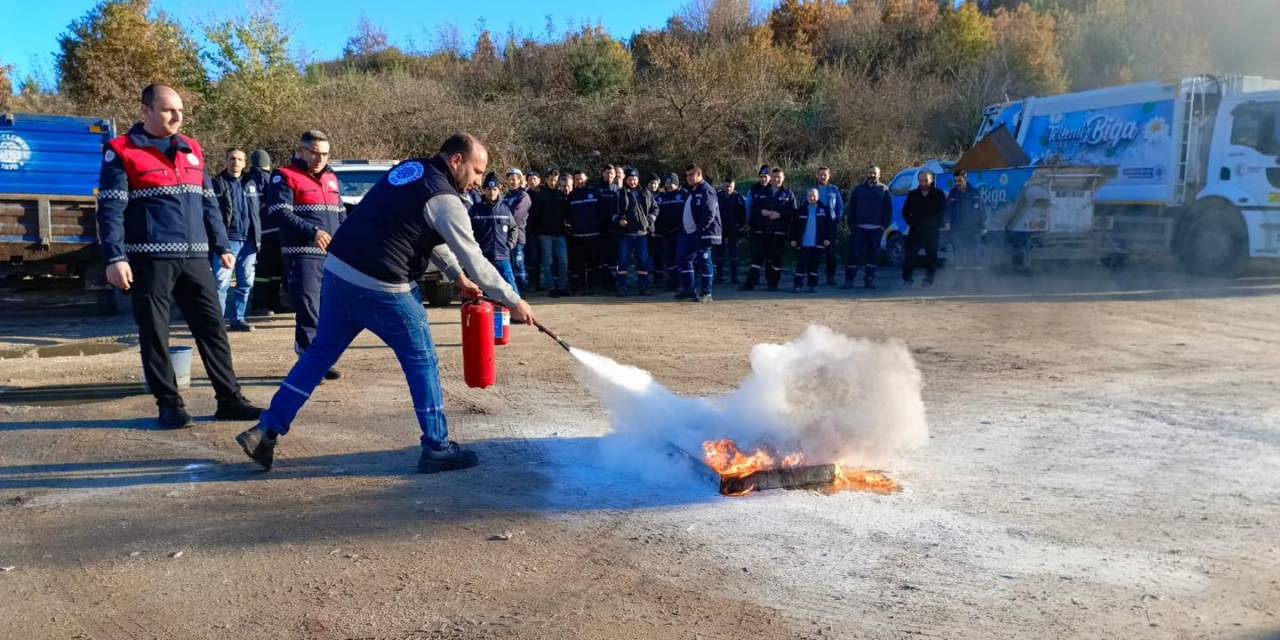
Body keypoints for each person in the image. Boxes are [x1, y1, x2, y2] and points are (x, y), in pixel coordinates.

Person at [236, 133, 535, 474]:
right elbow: (477, 260)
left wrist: (455, 277)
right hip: (384, 285)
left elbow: (422, 231)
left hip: (339, 271)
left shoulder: (411, 170)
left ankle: (268, 429)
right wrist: (513, 300)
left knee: (318, 355)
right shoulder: (446, 199)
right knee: (422, 360)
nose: (479, 180)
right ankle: (437, 447)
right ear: (456, 161)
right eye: (477, 171)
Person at [96, 84, 262, 428]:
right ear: (146, 111)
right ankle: (169, 405)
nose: (177, 117)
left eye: (181, 111)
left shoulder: (192, 149)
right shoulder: (121, 151)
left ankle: (229, 399)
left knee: (213, 329)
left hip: (195, 259)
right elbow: (110, 209)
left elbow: (208, 203)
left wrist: (220, 245)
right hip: (150, 260)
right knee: (155, 334)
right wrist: (115, 257)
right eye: (169, 110)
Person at [265, 130, 346, 379]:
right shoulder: (284, 176)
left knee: (328, 311)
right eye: (314, 153)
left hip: (331, 257)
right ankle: (310, 363)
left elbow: (340, 214)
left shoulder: (332, 179)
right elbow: (280, 212)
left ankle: (322, 360)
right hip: (303, 255)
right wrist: (313, 232)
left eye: (324, 154)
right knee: (309, 309)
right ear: (301, 151)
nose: (320, 158)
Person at [210, 147, 260, 331]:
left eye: (239, 159)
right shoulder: (216, 183)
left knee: (245, 283)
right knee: (220, 283)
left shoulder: (251, 183)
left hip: (249, 242)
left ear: (245, 163)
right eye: (232, 158)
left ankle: (238, 319)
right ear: (226, 161)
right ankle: (217, 322)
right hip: (227, 242)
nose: (235, 162)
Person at [741, 167, 795, 291]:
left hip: (779, 232)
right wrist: (761, 211)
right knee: (756, 258)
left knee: (775, 260)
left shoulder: (788, 193)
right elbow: (752, 209)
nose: (776, 179)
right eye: (774, 177)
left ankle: (773, 284)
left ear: (783, 178)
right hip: (761, 231)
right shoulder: (761, 191)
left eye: (779, 177)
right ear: (771, 178)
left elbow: (793, 212)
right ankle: (750, 284)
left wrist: (780, 214)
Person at [675, 165, 720, 303]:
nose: (688, 178)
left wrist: (700, 230)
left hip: (702, 234)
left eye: (691, 175)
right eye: (687, 175)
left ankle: (707, 293)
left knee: (705, 261)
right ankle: (689, 290)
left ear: (699, 175)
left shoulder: (707, 190)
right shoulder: (693, 190)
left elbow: (709, 213)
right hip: (688, 233)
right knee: (684, 258)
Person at [843, 165, 893, 290]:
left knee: (873, 255)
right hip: (859, 228)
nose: (872, 175)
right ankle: (849, 280)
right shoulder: (858, 189)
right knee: (854, 254)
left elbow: (889, 210)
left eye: (875, 173)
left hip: (876, 229)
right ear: (866, 174)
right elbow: (851, 209)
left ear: (879, 175)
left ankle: (869, 280)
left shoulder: (884, 189)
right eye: (870, 173)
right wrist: (852, 226)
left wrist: (883, 227)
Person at [247, 149, 284, 315]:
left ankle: (263, 304)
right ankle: (266, 303)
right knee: (271, 270)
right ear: (268, 163)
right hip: (273, 231)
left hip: (257, 232)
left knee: (264, 271)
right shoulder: (269, 180)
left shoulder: (248, 180)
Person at [469, 173, 519, 292]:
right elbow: (468, 231)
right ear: (484, 190)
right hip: (483, 258)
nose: (491, 192)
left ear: (499, 190)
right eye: (489, 189)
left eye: (495, 189)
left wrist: (509, 245)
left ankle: (515, 310)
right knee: (482, 291)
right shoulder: (475, 210)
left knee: (511, 289)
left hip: (502, 257)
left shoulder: (505, 208)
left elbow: (514, 228)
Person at [613, 167, 657, 296]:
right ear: (626, 180)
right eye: (630, 179)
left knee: (643, 261)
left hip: (641, 234)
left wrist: (650, 220)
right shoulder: (619, 194)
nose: (632, 182)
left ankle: (644, 287)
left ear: (638, 179)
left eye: (634, 179)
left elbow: (655, 208)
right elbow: (612, 213)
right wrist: (619, 220)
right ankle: (622, 287)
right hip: (625, 234)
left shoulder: (645, 193)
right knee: (623, 261)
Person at [568, 169, 610, 295]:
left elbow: (603, 212)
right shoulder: (572, 195)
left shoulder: (595, 193)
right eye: (577, 179)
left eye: (581, 178)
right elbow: (567, 214)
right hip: (577, 236)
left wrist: (599, 227)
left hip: (594, 235)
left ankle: (595, 287)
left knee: (595, 264)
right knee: (579, 264)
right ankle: (580, 288)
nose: (579, 181)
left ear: (586, 179)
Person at [902, 169, 947, 287]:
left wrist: (937, 224)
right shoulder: (913, 194)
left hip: (932, 231)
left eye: (926, 181)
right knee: (910, 255)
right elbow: (905, 212)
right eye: (921, 181)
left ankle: (929, 279)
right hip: (915, 230)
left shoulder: (939, 194)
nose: (923, 183)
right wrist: (912, 223)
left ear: (931, 180)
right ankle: (907, 279)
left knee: (931, 256)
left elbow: (943, 212)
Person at [945, 168, 986, 290]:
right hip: (957, 232)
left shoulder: (975, 192)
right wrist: (946, 222)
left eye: (959, 180)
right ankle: (959, 285)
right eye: (955, 180)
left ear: (965, 178)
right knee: (958, 260)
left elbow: (982, 211)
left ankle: (977, 285)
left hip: (973, 232)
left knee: (975, 260)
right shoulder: (952, 193)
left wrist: (982, 225)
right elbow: (947, 211)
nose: (957, 182)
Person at [789, 188, 833, 293]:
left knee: (814, 266)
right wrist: (792, 239)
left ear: (818, 197)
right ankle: (797, 285)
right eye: (810, 196)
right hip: (803, 244)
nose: (812, 198)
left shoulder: (824, 209)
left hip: (818, 244)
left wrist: (827, 238)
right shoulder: (801, 209)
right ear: (806, 197)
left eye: (814, 196)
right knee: (800, 266)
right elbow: (793, 226)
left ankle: (812, 285)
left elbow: (829, 226)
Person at [653, 174, 687, 290]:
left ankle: (683, 282)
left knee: (681, 257)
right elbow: (654, 211)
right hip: (666, 233)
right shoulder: (661, 197)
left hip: (681, 232)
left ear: (676, 184)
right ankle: (672, 282)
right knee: (669, 258)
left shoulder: (684, 195)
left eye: (671, 184)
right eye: (667, 184)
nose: (668, 187)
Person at [814, 166, 845, 286]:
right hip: (816, 224)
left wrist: (837, 219)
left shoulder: (834, 189)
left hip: (831, 225)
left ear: (829, 176)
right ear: (817, 175)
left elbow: (840, 206)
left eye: (825, 175)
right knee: (815, 252)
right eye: (820, 174)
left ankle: (830, 277)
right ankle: (813, 277)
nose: (822, 177)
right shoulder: (813, 189)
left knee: (830, 253)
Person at [502, 168, 531, 292]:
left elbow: (516, 215)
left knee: (518, 265)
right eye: (510, 180)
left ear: (520, 180)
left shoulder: (524, 196)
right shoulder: (506, 196)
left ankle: (522, 291)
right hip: (504, 237)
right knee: (510, 266)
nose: (512, 182)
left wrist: (502, 220)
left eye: (514, 179)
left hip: (518, 236)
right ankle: (513, 291)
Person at [715, 178, 746, 285]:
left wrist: (742, 226)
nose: (728, 188)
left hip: (734, 229)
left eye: (730, 187)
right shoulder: (717, 196)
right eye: (726, 186)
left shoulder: (738, 197)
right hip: (720, 229)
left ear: (734, 187)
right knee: (719, 253)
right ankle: (719, 277)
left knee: (734, 254)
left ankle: (734, 277)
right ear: (723, 186)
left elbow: (743, 213)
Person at [522, 170, 543, 291]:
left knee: (544, 258)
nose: (532, 181)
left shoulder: (544, 193)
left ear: (539, 180)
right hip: (530, 231)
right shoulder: (525, 195)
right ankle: (535, 282)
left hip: (545, 230)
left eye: (534, 178)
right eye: (530, 179)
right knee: (533, 257)